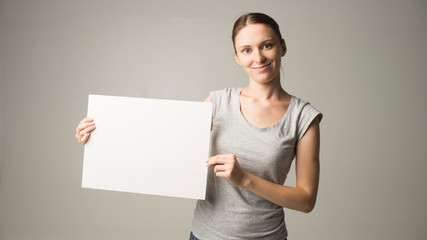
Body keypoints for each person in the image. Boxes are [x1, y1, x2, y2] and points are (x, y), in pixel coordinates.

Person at [76, 12, 322, 240]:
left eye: (266, 45)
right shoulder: (217, 103)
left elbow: (306, 200)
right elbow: (159, 147)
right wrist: (101, 135)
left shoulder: (303, 117)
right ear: (237, 57)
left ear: (283, 47)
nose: (258, 58)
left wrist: (245, 179)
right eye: (246, 50)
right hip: (206, 236)